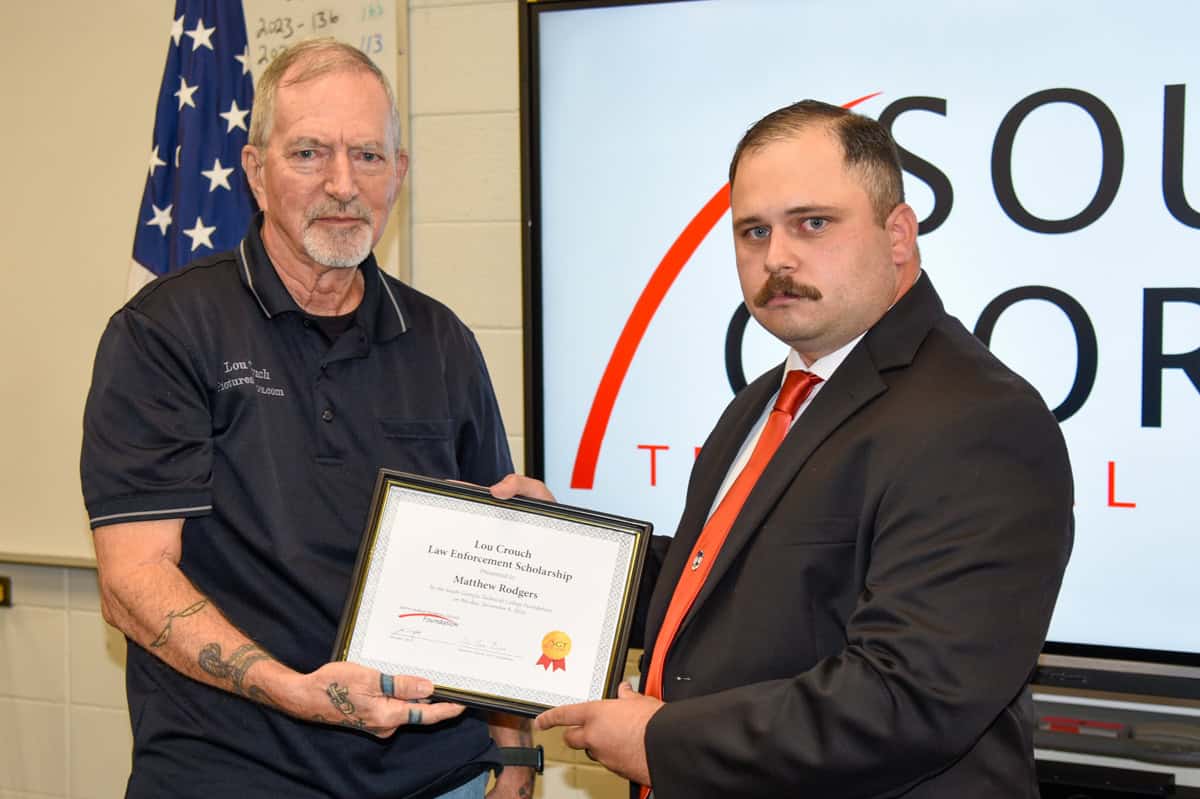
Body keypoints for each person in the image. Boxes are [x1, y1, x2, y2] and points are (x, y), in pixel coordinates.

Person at [496, 100, 1074, 797]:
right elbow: (728, 578)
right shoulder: (770, 396)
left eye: (813, 223)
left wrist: (660, 741)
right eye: (753, 231)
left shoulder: (980, 419)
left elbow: (907, 698)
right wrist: (562, 552)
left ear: (898, 234)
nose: (776, 257)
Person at [81, 39, 534, 799]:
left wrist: (513, 757)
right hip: (234, 776)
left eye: (367, 155)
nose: (342, 184)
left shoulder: (442, 340)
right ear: (255, 173)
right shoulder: (165, 331)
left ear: (400, 173)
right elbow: (133, 580)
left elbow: (488, 564)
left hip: (438, 777)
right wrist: (296, 690)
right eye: (309, 153)